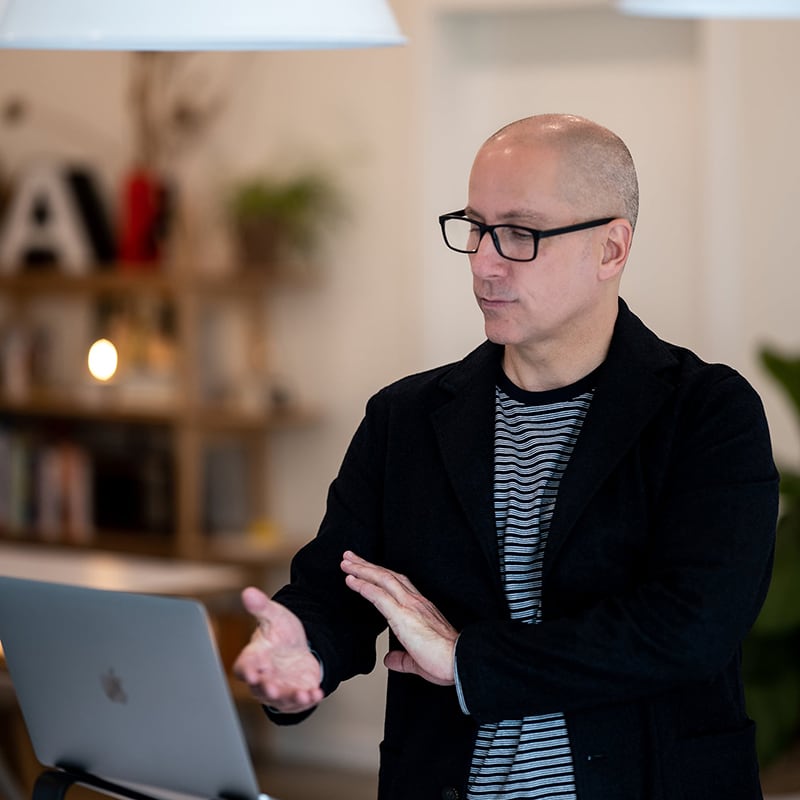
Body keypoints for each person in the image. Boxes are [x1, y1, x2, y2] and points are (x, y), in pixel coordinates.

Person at [234, 113, 779, 800]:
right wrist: (298, 657)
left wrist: (470, 661)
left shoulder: (707, 413)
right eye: (475, 228)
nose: (485, 263)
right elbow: (336, 593)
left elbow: (689, 628)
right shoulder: (404, 418)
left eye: (520, 234)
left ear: (612, 249)